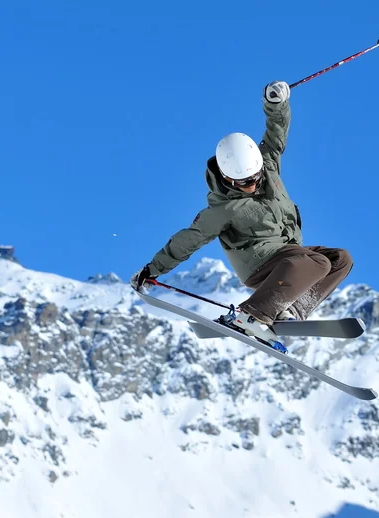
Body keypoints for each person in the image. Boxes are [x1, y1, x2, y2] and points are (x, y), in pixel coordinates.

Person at [131, 80, 353, 347]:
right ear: (227, 179)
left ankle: (289, 309)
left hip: (287, 254)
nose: (251, 185)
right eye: (243, 183)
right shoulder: (223, 208)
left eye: (254, 179)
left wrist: (276, 103)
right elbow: (189, 239)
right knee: (317, 263)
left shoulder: (267, 166)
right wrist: (152, 269)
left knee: (340, 259)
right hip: (259, 263)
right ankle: (252, 314)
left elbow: (276, 133)